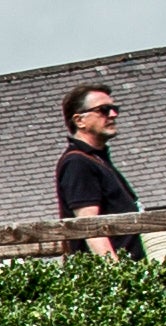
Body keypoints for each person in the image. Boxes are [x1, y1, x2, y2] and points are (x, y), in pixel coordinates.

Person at [55, 82, 143, 251]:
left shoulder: (96, 160)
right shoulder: (78, 163)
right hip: (116, 272)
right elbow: (90, 227)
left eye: (114, 108)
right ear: (80, 120)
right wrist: (117, 273)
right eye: (103, 110)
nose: (113, 114)